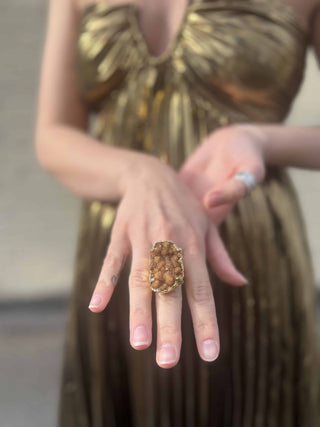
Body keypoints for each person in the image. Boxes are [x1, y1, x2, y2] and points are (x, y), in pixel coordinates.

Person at [35, 0, 320, 425]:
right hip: (122, 250)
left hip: (245, 246)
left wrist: (259, 138)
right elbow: (53, 134)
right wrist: (138, 172)